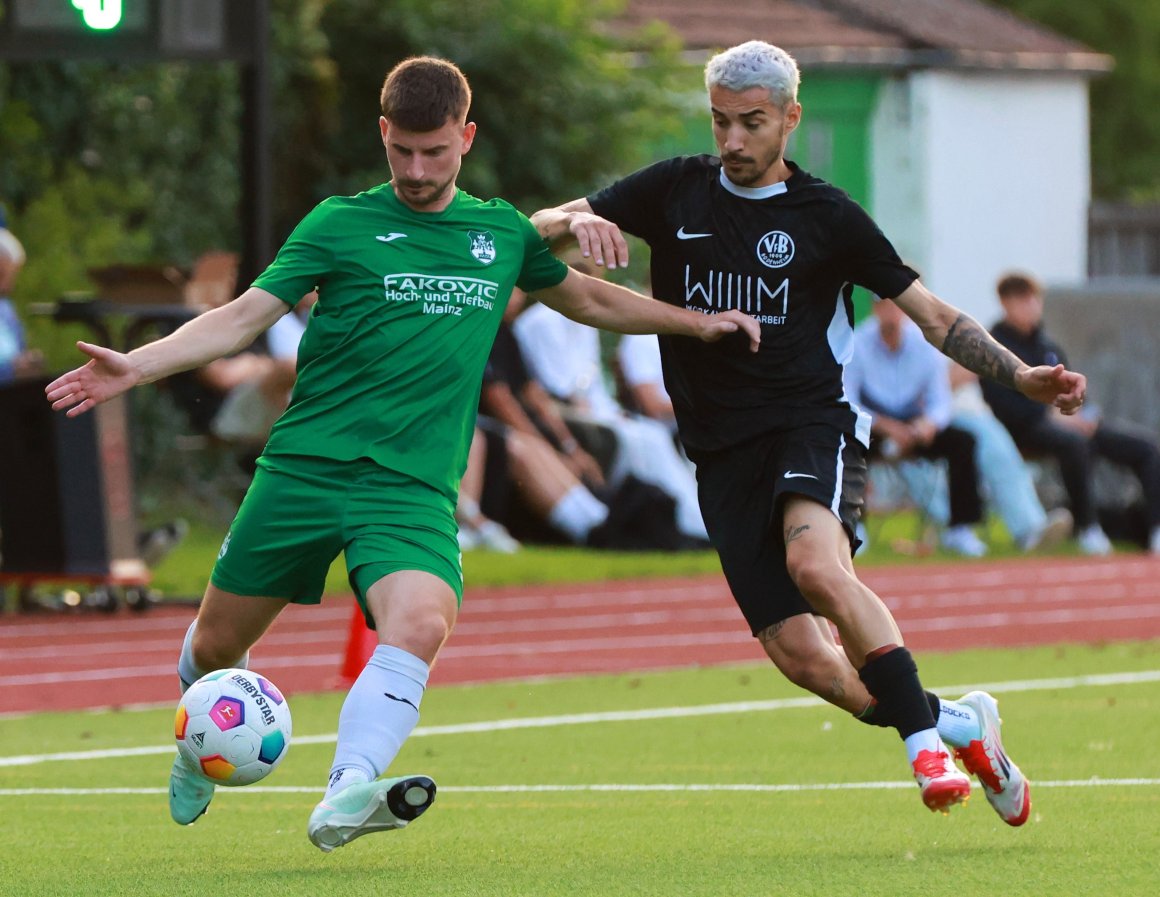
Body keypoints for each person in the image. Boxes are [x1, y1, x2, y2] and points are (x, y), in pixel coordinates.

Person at [44, 56, 760, 852]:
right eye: (404, 152)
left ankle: (348, 789)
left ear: (467, 137)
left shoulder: (500, 233)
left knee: (420, 620)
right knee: (215, 648)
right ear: (384, 134)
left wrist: (695, 322)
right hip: (306, 470)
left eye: (437, 153)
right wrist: (136, 365)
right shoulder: (337, 223)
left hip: (412, 488)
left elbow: (587, 296)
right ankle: (195, 738)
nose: (418, 171)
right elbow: (245, 316)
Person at [533, 40, 1087, 825]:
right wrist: (572, 223)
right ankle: (958, 720)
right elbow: (537, 237)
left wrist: (1018, 374)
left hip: (809, 425)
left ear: (790, 118)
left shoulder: (827, 217)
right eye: (720, 121)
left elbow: (935, 316)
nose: (732, 141)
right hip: (720, 453)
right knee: (806, 659)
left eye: (751, 123)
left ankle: (924, 746)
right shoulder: (675, 190)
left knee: (818, 569)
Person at [983, 272, 1160, 556]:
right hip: (1025, 428)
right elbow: (1003, 405)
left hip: (1070, 422)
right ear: (1005, 303)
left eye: (1033, 299)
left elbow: (1074, 391)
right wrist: (1050, 415)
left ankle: (1155, 530)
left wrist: (1084, 412)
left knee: (1147, 448)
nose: (1030, 306)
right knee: (1075, 444)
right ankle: (1089, 528)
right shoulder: (994, 347)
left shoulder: (1047, 345)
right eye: (1022, 300)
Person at [845, 299, 989, 558]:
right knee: (849, 444)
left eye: (898, 306)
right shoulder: (856, 343)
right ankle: (856, 527)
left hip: (916, 425)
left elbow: (940, 400)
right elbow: (849, 400)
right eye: (885, 306)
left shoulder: (925, 345)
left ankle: (960, 529)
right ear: (876, 310)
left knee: (963, 441)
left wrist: (928, 424)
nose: (893, 314)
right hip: (874, 425)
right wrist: (888, 427)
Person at [0, 209, 44, 385]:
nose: (7, 286)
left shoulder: (6, 311)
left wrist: (27, 362)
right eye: (1, 275)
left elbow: (19, 351)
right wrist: (11, 368)